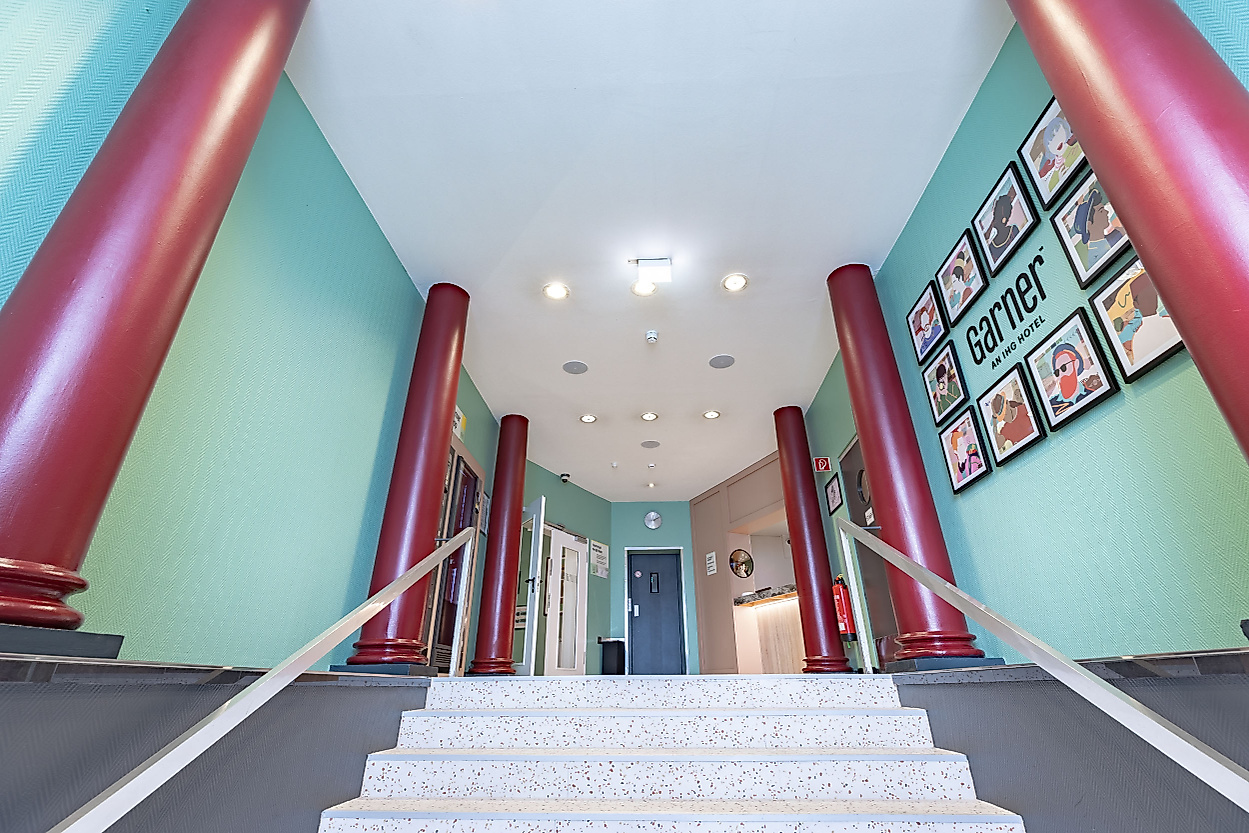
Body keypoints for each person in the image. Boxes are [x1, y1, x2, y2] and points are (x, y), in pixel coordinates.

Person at [1046, 342, 1102, 416]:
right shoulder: (1052, 406)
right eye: (1057, 372)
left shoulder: (1093, 393)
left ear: (1076, 364)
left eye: (1063, 368)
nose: (1061, 374)